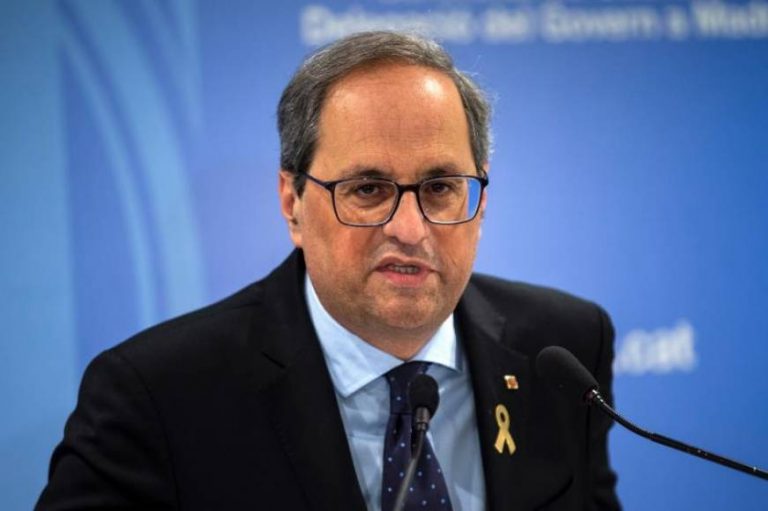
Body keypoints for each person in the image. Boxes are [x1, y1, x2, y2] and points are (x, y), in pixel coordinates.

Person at [37, 31, 620, 510]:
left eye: (441, 187)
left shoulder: (564, 349)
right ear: (291, 202)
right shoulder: (157, 396)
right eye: (368, 189)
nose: (410, 229)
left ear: (483, 200)